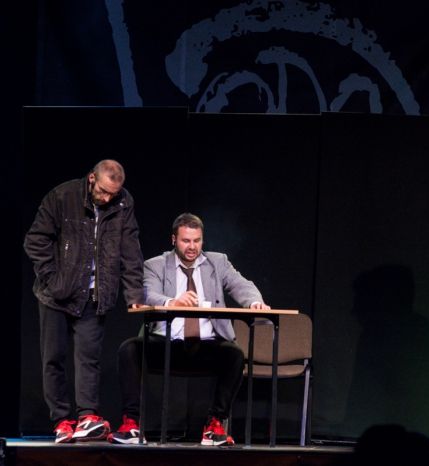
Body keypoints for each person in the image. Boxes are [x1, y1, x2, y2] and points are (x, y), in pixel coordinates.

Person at [108, 213, 270, 445]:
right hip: (166, 345)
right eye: (186, 241)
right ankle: (131, 424)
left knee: (234, 354)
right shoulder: (156, 265)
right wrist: (172, 301)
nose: (192, 247)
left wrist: (254, 301)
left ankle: (215, 424)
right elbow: (148, 293)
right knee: (129, 349)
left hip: (206, 346)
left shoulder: (218, 262)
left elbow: (241, 284)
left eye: (197, 240)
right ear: (174, 240)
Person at [23, 160, 145, 443]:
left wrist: (134, 294)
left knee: (89, 359)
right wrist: (53, 279)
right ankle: (61, 421)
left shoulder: (123, 202)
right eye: (103, 191)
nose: (107, 198)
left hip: (94, 295)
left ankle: (87, 417)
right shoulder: (62, 196)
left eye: (113, 194)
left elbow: (130, 248)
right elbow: (35, 240)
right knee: (54, 359)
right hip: (56, 295)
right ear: (92, 179)